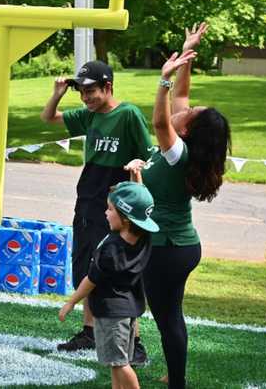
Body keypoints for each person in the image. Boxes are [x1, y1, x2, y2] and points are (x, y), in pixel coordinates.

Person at [124, 23, 232, 389]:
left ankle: (177, 384)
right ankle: (176, 370)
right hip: (176, 245)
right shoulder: (185, 145)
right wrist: (186, 56)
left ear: (187, 130)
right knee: (171, 315)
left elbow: (159, 119)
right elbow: (183, 97)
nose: (185, 107)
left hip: (169, 247)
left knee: (168, 317)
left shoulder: (177, 153)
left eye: (191, 111)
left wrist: (163, 80)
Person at [40, 60, 153, 363]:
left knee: (117, 271)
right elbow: (48, 117)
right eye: (82, 92)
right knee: (87, 266)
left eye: (90, 90)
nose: (86, 97)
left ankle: (135, 342)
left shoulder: (128, 114)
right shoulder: (89, 116)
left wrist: (138, 171)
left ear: (108, 87)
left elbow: (148, 155)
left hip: (118, 206)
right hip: (88, 201)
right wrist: (58, 93)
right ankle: (89, 331)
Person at [59, 181, 158, 389]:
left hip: (111, 313)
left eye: (111, 209)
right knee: (117, 363)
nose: (105, 213)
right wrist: (134, 182)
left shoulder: (111, 250)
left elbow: (91, 280)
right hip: (129, 310)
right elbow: (141, 207)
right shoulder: (143, 239)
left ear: (126, 218)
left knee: (121, 364)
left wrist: (71, 303)